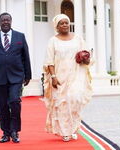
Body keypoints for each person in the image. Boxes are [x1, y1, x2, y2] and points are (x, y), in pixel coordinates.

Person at [42, 14, 93, 142]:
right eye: (61, 23)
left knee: (75, 99)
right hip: (59, 77)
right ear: (57, 26)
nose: (65, 25)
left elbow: (88, 55)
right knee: (63, 103)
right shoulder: (52, 41)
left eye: (66, 22)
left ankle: (73, 128)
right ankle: (65, 132)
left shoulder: (78, 39)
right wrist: (53, 76)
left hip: (76, 75)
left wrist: (86, 58)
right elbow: (49, 61)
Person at [0, 12, 31, 143]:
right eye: (3, 20)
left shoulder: (20, 36)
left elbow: (26, 57)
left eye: (8, 20)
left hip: (16, 77)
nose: (5, 22)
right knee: (2, 106)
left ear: (11, 21)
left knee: (15, 102)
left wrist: (28, 75)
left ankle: (14, 131)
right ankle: (6, 133)